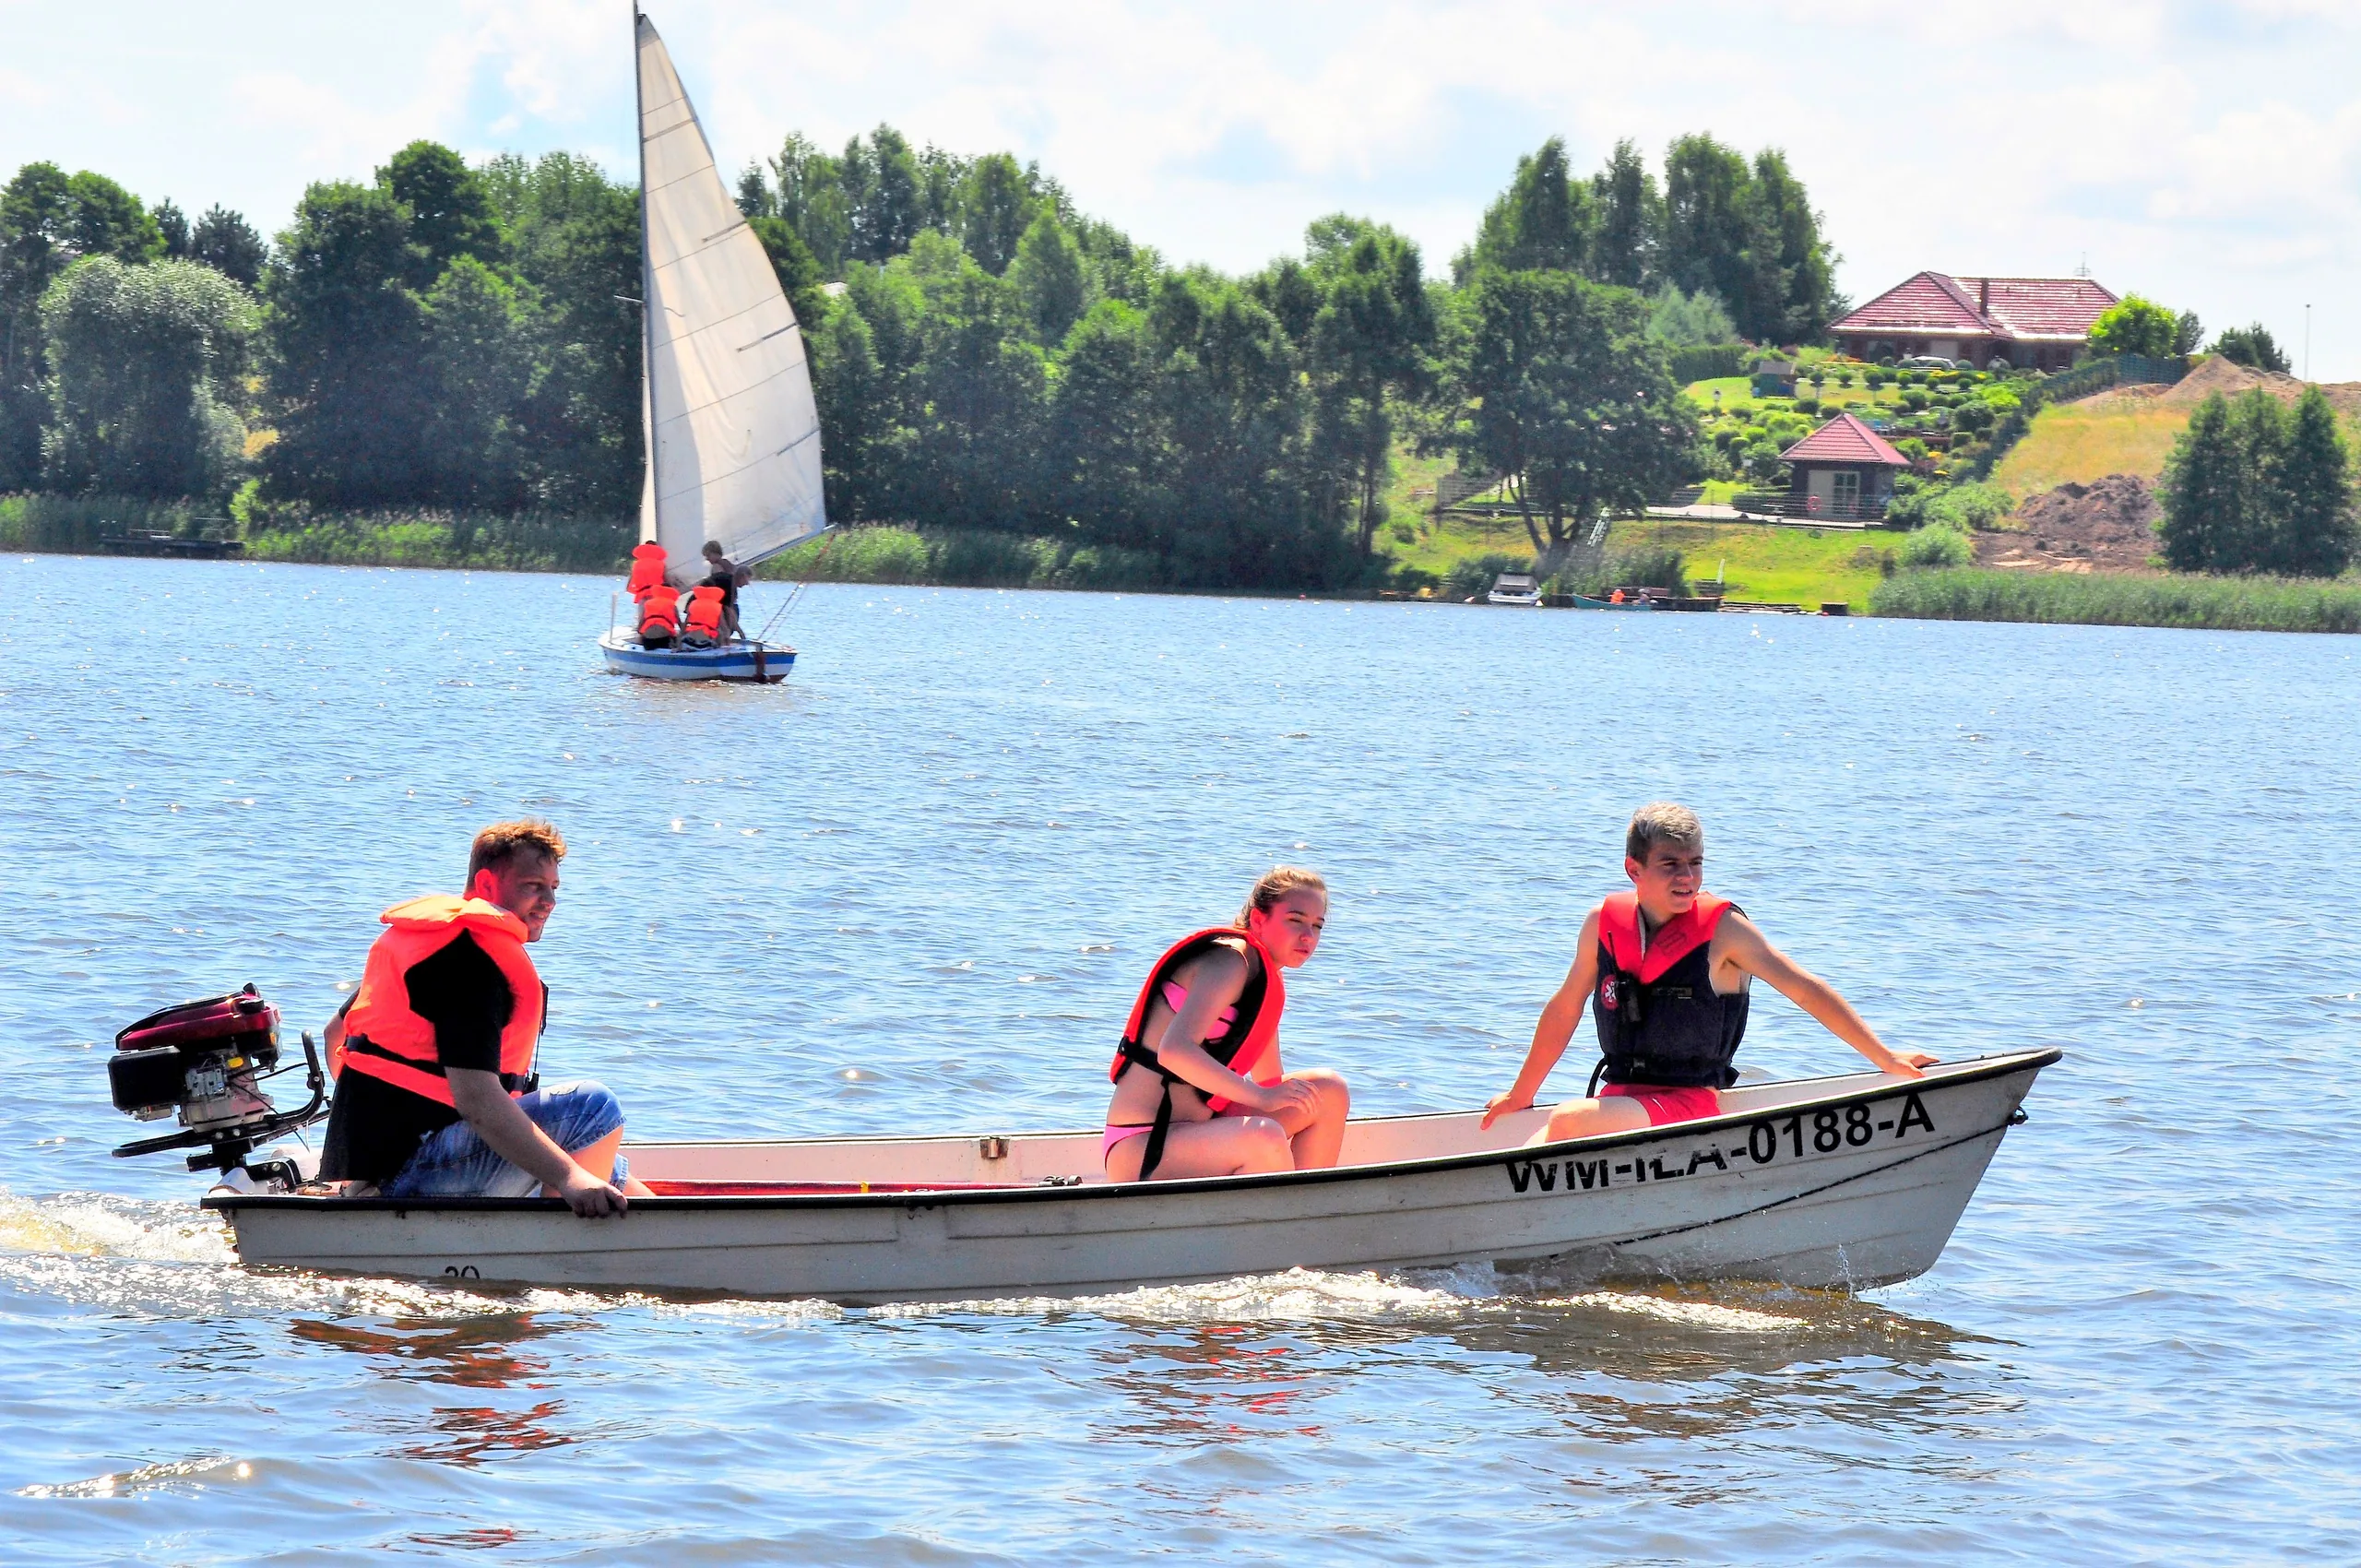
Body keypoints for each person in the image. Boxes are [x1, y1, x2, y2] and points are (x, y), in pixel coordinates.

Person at [1482, 802, 1937, 1143]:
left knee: (1567, 1120)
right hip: (1623, 1094)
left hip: (1690, 1102)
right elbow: (1565, 1008)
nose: (1687, 877)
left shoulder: (1725, 931)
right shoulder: (1602, 924)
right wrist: (1521, 1094)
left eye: (1695, 863)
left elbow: (1805, 990)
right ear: (1633, 869)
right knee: (1531, 1135)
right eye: (1671, 864)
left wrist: (1885, 1059)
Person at [318, 820, 651, 1216]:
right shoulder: (472, 964)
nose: (550, 901)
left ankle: (669, 1233)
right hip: (411, 1180)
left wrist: (384, 1120)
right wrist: (569, 1180)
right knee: (593, 1109)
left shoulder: (435, 942)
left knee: (594, 1162)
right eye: (533, 885)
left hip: (384, 1170)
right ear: (489, 885)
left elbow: (335, 1034)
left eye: (553, 888)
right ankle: (568, 1245)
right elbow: (476, 1099)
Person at [1102, 867, 1350, 1182]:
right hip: (1143, 1147)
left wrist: (1270, 1097)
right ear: (1259, 920)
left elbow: (1268, 1083)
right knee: (1263, 1137)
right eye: (1295, 920)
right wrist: (1261, 1099)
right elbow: (1174, 1051)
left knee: (1328, 1092)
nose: (1308, 936)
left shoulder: (1264, 983)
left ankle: (1309, 1210)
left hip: (1200, 1132)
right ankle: (1288, 1221)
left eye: (1317, 926)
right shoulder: (1230, 962)